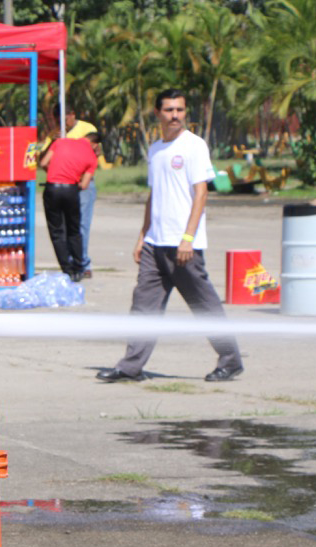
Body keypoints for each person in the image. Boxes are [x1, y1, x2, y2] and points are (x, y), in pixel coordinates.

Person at [97, 88, 243, 384]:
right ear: (158, 113)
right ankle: (131, 367)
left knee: (205, 306)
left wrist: (188, 237)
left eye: (180, 110)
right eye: (169, 110)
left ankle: (231, 361)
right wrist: (142, 236)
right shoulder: (155, 149)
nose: (175, 115)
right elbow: (155, 196)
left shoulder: (194, 146)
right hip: (155, 244)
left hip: (183, 245)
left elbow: (201, 193)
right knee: (143, 307)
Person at [38, 131, 98, 281]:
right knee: (74, 230)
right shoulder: (92, 157)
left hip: (52, 188)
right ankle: (79, 268)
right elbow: (84, 185)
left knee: (56, 231)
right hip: (71, 190)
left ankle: (67, 269)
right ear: (95, 144)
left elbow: (43, 163)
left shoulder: (61, 142)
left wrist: (53, 173)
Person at [64, 107, 101, 278]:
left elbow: (96, 151)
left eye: (64, 118)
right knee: (67, 226)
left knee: (82, 225)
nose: (62, 122)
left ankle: (83, 262)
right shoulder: (56, 132)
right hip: (64, 184)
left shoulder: (87, 129)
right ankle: (71, 260)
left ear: (72, 114)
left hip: (83, 184)